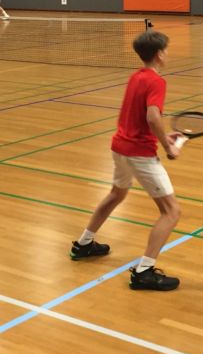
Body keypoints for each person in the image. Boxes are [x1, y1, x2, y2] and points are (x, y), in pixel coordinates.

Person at [69, 30, 183, 291]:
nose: (167, 54)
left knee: (116, 194)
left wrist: (164, 136)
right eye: (165, 50)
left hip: (119, 147)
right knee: (171, 212)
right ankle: (144, 272)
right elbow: (152, 117)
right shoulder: (156, 81)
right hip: (139, 154)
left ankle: (84, 244)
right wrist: (168, 146)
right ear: (159, 54)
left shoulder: (136, 77)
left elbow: (139, 117)